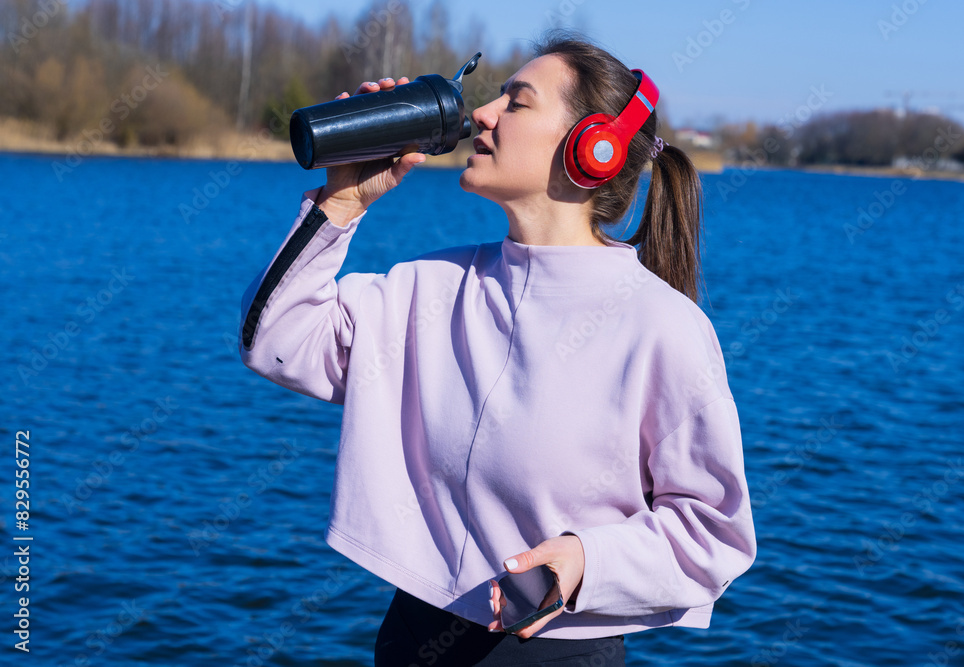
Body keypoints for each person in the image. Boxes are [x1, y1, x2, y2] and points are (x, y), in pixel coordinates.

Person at [239, 29, 756, 666]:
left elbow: (713, 531)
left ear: (591, 148)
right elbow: (275, 340)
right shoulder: (429, 288)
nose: (482, 113)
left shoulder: (662, 327)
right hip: (413, 638)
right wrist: (342, 202)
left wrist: (588, 561)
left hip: (553, 655)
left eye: (517, 102)